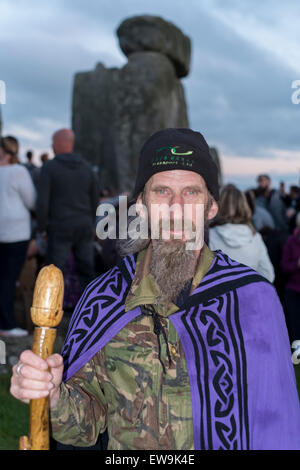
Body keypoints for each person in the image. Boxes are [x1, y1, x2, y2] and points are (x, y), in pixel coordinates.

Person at [10, 128, 300, 450]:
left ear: (211, 208)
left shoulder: (252, 300)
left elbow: (278, 428)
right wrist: (53, 395)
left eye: (191, 193)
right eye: (162, 191)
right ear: (141, 205)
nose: (176, 208)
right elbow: (84, 427)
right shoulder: (104, 299)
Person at [36, 129, 99, 292]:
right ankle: (91, 312)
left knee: (54, 274)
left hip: (59, 227)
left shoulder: (49, 168)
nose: (51, 146)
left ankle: (50, 315)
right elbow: (95, 199)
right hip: (83, 225)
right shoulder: (87, 168)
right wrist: (92, 224)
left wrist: (42, 228)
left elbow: (42, 202)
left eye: (52, 143)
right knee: (87, 272)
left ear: (58, 144)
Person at [0, 136, 36, 336]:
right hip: (16, 233)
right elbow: (31, 201)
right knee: (8, 278)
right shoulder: (19, 172)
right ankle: (6, 325)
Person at [208, 184, 275, 283]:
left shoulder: (208, 236)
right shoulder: (255, 237)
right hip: (249, 296)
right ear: (244, 205)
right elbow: (268, 275)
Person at [281, 212, 300, 344]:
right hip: (294, 290)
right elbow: (283, 267)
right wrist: (297, 264)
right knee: (294, 327)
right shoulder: (291, 242)